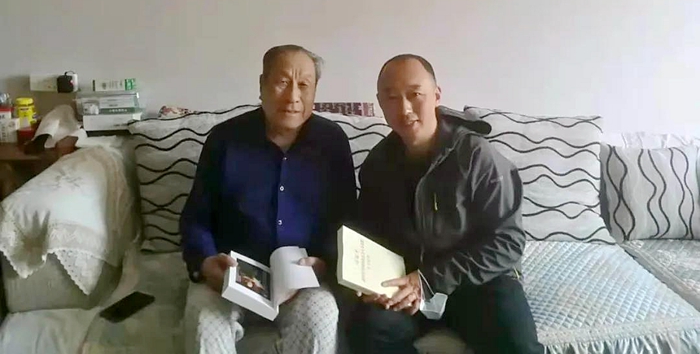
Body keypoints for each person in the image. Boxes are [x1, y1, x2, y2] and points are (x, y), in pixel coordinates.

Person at [348, 54, 544, 354]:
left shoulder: (477, 156)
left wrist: (429, 280)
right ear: (380, 103)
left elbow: (508, 242)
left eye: (415, 94)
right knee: (368, 330)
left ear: (436, 95)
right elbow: (369, 233)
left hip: (479, 283)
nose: (404, 108)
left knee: (519, 347)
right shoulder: (378, 163)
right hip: (409, 284)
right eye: (392, 98)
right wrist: (366, 279)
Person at [180, 45, 357, 354]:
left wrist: (325, 263)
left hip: (302, 279)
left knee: (321, 318)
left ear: (315, 90)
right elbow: (196, 217)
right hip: (230, 274)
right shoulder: (225, 139)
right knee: (204, 322)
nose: (293, 97)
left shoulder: (332, 142)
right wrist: (206, 262)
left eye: (304, 85)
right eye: (282, 82)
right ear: (262, 85)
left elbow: (346, 219)